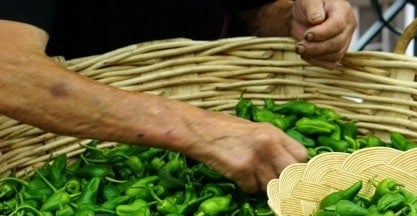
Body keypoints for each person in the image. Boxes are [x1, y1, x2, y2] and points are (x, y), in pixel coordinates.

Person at [0, 0, 357, 193]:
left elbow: (253, 13)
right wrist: (197, 130)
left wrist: (306, 21)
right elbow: (9, 70)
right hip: (69, 147)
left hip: (221, 105)